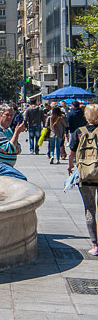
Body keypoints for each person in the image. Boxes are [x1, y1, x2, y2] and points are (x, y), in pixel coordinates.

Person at [69, 104, 98, 256]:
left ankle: (95, 245)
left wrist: (70, 167)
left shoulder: (79, 132)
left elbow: (71, 154)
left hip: (85, 175)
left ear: (86, 116)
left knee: (90, 209)